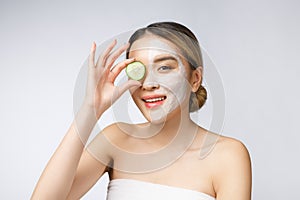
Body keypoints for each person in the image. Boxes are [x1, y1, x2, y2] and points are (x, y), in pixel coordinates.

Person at [31, 22, 252, 200]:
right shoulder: (116, 138)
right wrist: (91, 109)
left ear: (195, 79)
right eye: (138, 70)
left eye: (164, 67)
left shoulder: (228, 155)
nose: (148, 84)